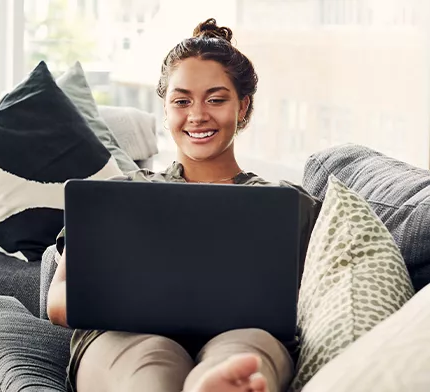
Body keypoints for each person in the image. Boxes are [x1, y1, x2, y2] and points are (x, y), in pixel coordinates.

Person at [47, 18, 321, 392]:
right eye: (182, 101)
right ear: (165, 109)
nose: (197, 115)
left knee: (245, 351)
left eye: (216, 99)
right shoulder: (119, 196)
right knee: (150, 362)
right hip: (128, 338)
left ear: (243, 107)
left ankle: (218, 383)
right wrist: (142, 304)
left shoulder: (292, 206)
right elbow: (59, 300)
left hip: (244, 336)